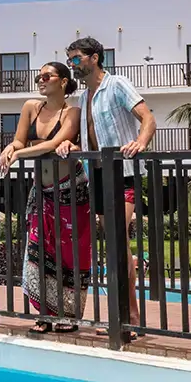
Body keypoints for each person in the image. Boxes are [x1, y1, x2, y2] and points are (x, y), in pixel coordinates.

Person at [56, 37, 157, 343]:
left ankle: (128, 317)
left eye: (76, 58)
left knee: (115, 241)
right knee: (117, 245)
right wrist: (69, 145)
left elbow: (148, 118)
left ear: (94, 58)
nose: (72, 64)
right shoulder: (85, 96)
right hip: (96, 176)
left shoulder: (117, 85)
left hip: (123, 174)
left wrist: (140, 142)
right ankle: (128, 315)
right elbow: (91, 138)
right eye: (69, 59)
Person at [0, 62, 91, 333]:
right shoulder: (30, 107)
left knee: (68, 255)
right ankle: (46, 314)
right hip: (41, 191)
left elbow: (52, 144)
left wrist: (18, 155)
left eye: (46, 76)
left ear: (62, 81)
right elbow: (19, 140)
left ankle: (68, 315)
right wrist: (9, 149)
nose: (41, 80)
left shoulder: (72, 112)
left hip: (71, 190)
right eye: (38, 76)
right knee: (38, 252)